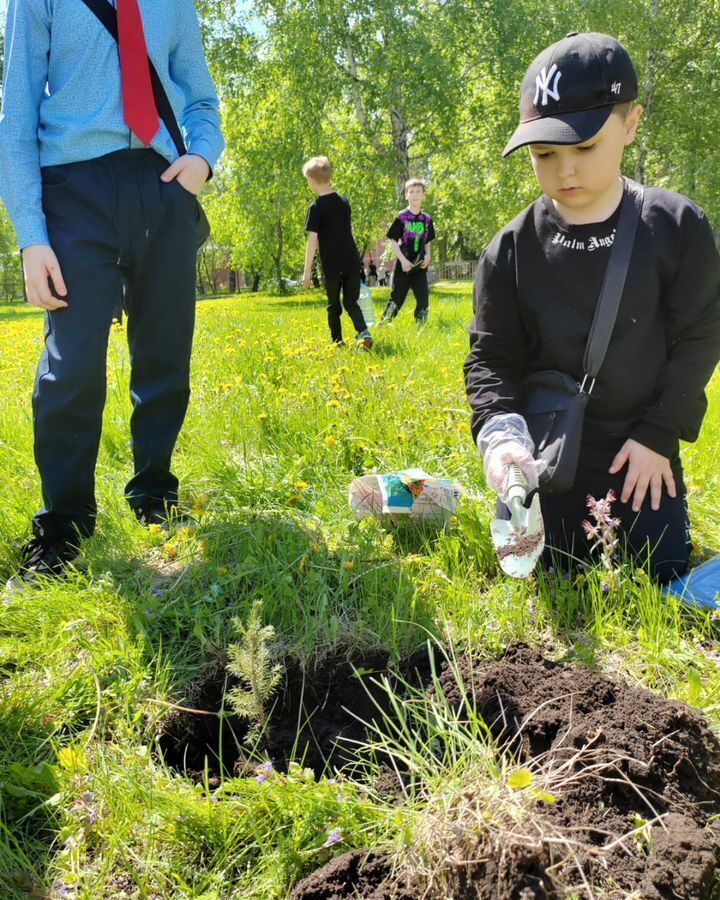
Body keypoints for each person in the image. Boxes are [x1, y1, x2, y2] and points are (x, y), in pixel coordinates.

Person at [464, 32, 720, 583]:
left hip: (640, 454)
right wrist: (503, 440)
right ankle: (436, 499)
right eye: (544, 154)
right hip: (548, 457)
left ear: (629, 125)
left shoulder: (677, 227)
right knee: (546, 570)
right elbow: (490, 359)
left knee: (659, 569)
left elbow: (701, 334)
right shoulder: (509, 249)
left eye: (584, 147)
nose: (564, 171)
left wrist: (661, 433)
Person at [0, 0, 224, 589]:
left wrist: (202, 157)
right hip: (74, 191)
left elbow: (200, 96)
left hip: (164, 184)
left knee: (166, 354)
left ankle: (154, 493)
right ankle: (63, 528)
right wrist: (31, 236)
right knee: (71, 365)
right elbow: (16, 112)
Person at [302, 156, 372, 349]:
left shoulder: (315, 208)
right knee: (351, 302)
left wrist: (307, 271)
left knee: (334, 305)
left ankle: (337, 342)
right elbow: (348, 232)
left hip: (332, 265)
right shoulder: (344, 202)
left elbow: (312, 241)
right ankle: (363, 332)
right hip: (351, 261)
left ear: (313, 181)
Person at [380, 179, 436, 324]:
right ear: (406, 195)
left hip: (419, 266)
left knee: (423, 298)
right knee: (397, 297)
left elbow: (428, 240)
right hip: (403, 265)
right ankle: (385, 322)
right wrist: (403, 261)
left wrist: (428, 255)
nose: (415, 195)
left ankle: (421, 325)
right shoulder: (402, 217)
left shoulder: (427, 219)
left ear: (424, 195)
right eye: (411, 192)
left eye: (418, 192)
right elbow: (393, 240)